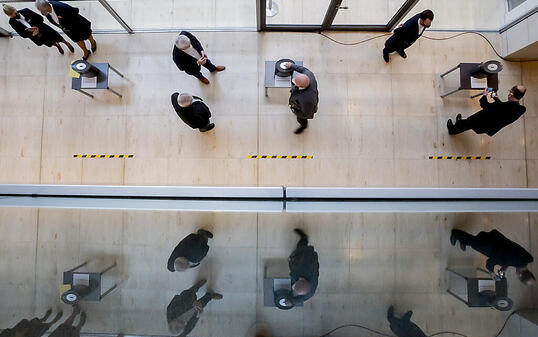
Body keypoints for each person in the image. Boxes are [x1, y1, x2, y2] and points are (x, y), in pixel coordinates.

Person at [450, 229, 535, 285]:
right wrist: (491, 272)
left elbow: (512, 255)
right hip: (488, 243)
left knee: (473, 240)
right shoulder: (508, 261)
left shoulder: (528, 258)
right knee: (474, 242)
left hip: (497, 238)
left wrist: (504, 266)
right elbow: (490, 262)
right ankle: (456, 234)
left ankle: (463, 241)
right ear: (520, 275)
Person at [447, 85, 527, 136]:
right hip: (493, 124)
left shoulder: (501, 106)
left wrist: (484, 95)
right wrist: (497, 100)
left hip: (483, 121)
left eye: (510, 91)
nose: (509, 93)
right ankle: (460, 123)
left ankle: (452, 130)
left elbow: (484, 105)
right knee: (468, 124)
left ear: (511, 94)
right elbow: (503, 110)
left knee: (469, 123)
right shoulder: (521, 109)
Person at [2, 5, 74, 55]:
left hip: (43, 28)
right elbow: (21, 34)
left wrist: (36, 27)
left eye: (15, 13)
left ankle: (66, 43)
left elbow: (40, 18)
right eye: (12, 15)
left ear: (15, 9)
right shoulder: (11, 22)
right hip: (35, 36)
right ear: (9, 15)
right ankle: (57, 46)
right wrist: (32, 34)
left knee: (57, 37)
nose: (15, 15)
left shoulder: (26, 11)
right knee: (49, 42)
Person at [286, 229, 319, 306]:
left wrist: (292, 302)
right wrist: (293, 257)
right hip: (306, 256)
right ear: (301, 279)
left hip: (301, 268)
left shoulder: (310, 292)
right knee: (301, 246)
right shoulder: (309, 266)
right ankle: (304, 237)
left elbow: (303, 299)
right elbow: (302, 255)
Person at [283, 62, 319, 134]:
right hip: (303, 101)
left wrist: (295, 111)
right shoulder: (309, 75)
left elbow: (306, 113)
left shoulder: (307, 100)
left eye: (295, 83)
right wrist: (291, 65)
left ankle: (303, 126)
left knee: (301, 119)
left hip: (304, 109)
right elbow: (303, 69)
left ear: (300, 87)